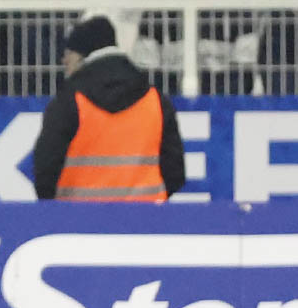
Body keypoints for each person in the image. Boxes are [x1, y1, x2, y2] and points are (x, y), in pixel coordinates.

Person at [33, 16, 185, 201]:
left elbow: (46, 167)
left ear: (81, 56)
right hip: (145, 214)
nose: (64, 61)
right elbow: (175, 171)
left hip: (79, 214)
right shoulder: (155, 100)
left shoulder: (69, 101)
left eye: (68, 54)